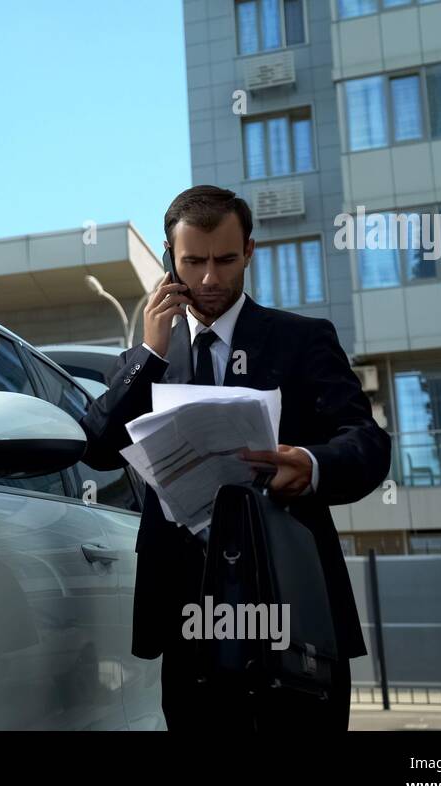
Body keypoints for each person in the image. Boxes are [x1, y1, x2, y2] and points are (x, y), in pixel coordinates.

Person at [77, 185, 391, 730]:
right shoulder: (145, 359)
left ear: (249, 250)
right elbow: (100, 448)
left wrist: (313, 465)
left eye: (225, 259)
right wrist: (150, 353)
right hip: (187, 615)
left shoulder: (303, 339)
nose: (209, 279)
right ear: (170, 259)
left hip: (290, 603)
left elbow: (366, 440)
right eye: (193, 261)